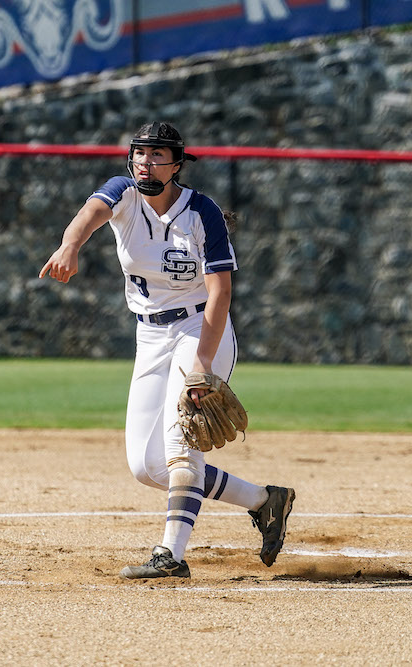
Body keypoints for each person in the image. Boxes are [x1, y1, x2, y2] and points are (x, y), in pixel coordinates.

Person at [39, 121, 295, 579]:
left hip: (200, 328)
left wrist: (202, 364)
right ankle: (265, 501)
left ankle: (170, 556)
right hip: (150, 335)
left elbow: (220, 293)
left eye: (158, 156)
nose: (146, 163)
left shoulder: (202, 213)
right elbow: (89, 212)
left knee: (182, 446)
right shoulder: (123, 193)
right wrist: (69, 245)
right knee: (147, 465)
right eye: (140, 154)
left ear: (178, 164)